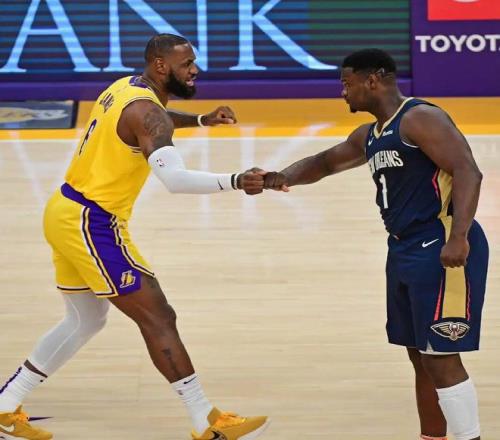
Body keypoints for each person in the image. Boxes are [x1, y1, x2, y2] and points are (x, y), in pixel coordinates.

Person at [0, 34, 269, 440]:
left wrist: (200, 120)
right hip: (92, 222)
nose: (195, 70)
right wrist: (235, 180)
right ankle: (207, 423)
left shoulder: (126, 87)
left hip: (64, 209)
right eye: (186, 63)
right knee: (158, 316)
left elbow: (154, 118)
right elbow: (174, 179)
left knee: (85, 319)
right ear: (161, 65)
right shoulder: (148, 113)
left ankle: (5, 406)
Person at [260, 49, 488, 440]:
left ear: (373, 80)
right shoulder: (369, 135)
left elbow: (468, 170)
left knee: (441, 357)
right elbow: (325, 163)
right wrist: (278, 177)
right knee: (420, 357)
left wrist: (459, 237)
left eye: (347, 83)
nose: (342, 92)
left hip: (440, 243)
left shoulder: (419, 118)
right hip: (403, 248)